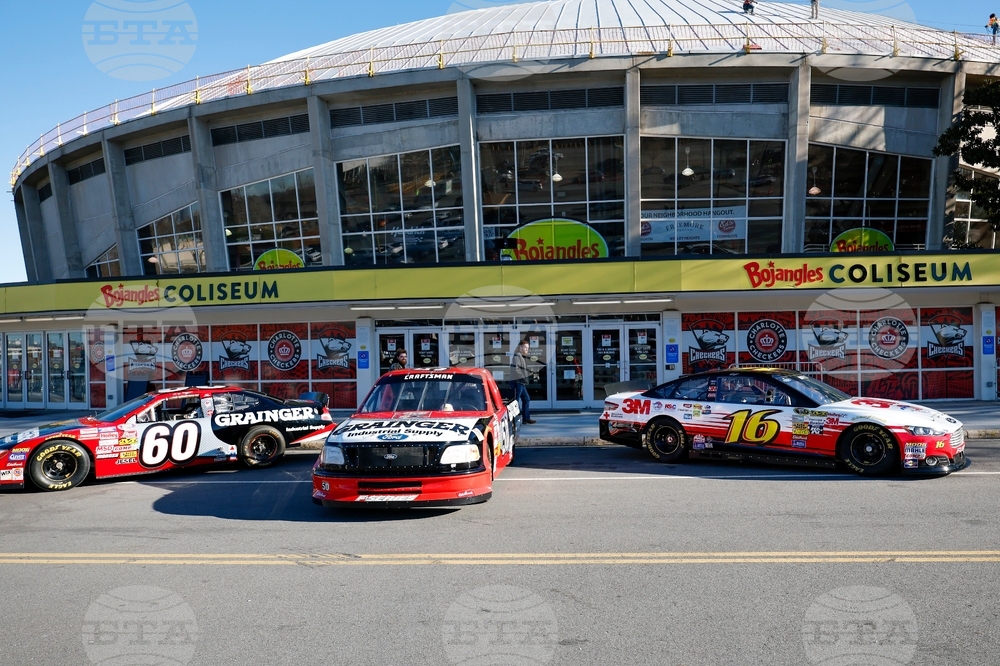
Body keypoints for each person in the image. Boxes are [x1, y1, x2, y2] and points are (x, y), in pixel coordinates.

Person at [509, 339, 536, 424]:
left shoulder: (521, 356)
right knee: (515, 402)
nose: (527, 350)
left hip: (521, 382)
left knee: (526, 399)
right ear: (520, 347)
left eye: (527, 348)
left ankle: (526, 418)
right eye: (525, 347)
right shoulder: (517, 356)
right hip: (518, 382)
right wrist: (523, 376)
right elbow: (516, 369)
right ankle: (514, 420)